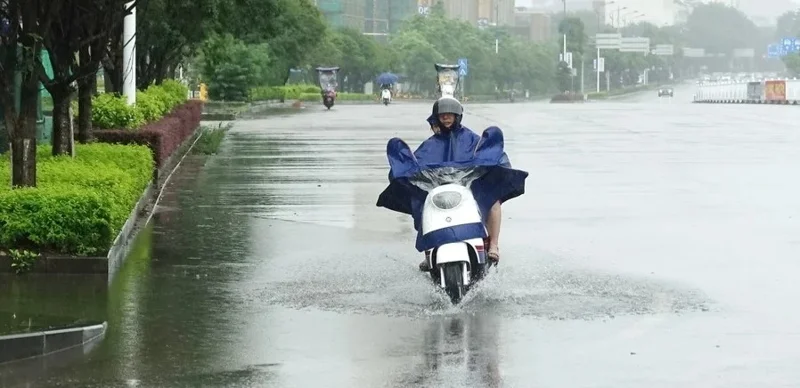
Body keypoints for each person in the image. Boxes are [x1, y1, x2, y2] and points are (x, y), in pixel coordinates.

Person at [415, 97, 502, 271]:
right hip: (440, 190)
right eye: (442, 115)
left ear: (457, 116)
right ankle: (428, 249)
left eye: (450, 115)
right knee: (420, 204)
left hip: (470, 187)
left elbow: (488, 154)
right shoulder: (430, 144)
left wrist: (490, 167)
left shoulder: (472, 140)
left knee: (494, 202)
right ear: (436, 117)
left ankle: (493, 244)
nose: (446, 118)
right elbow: (416, 162)